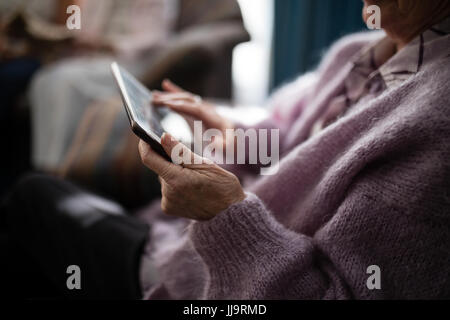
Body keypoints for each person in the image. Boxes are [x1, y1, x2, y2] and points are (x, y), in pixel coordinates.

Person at [2, 0, 450, 299]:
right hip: (180, 240)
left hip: (199, 286)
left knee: (33, 196)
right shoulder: (358, 51)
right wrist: (235, 130)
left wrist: (224, 215)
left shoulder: (435, 123)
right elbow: (293, 148)